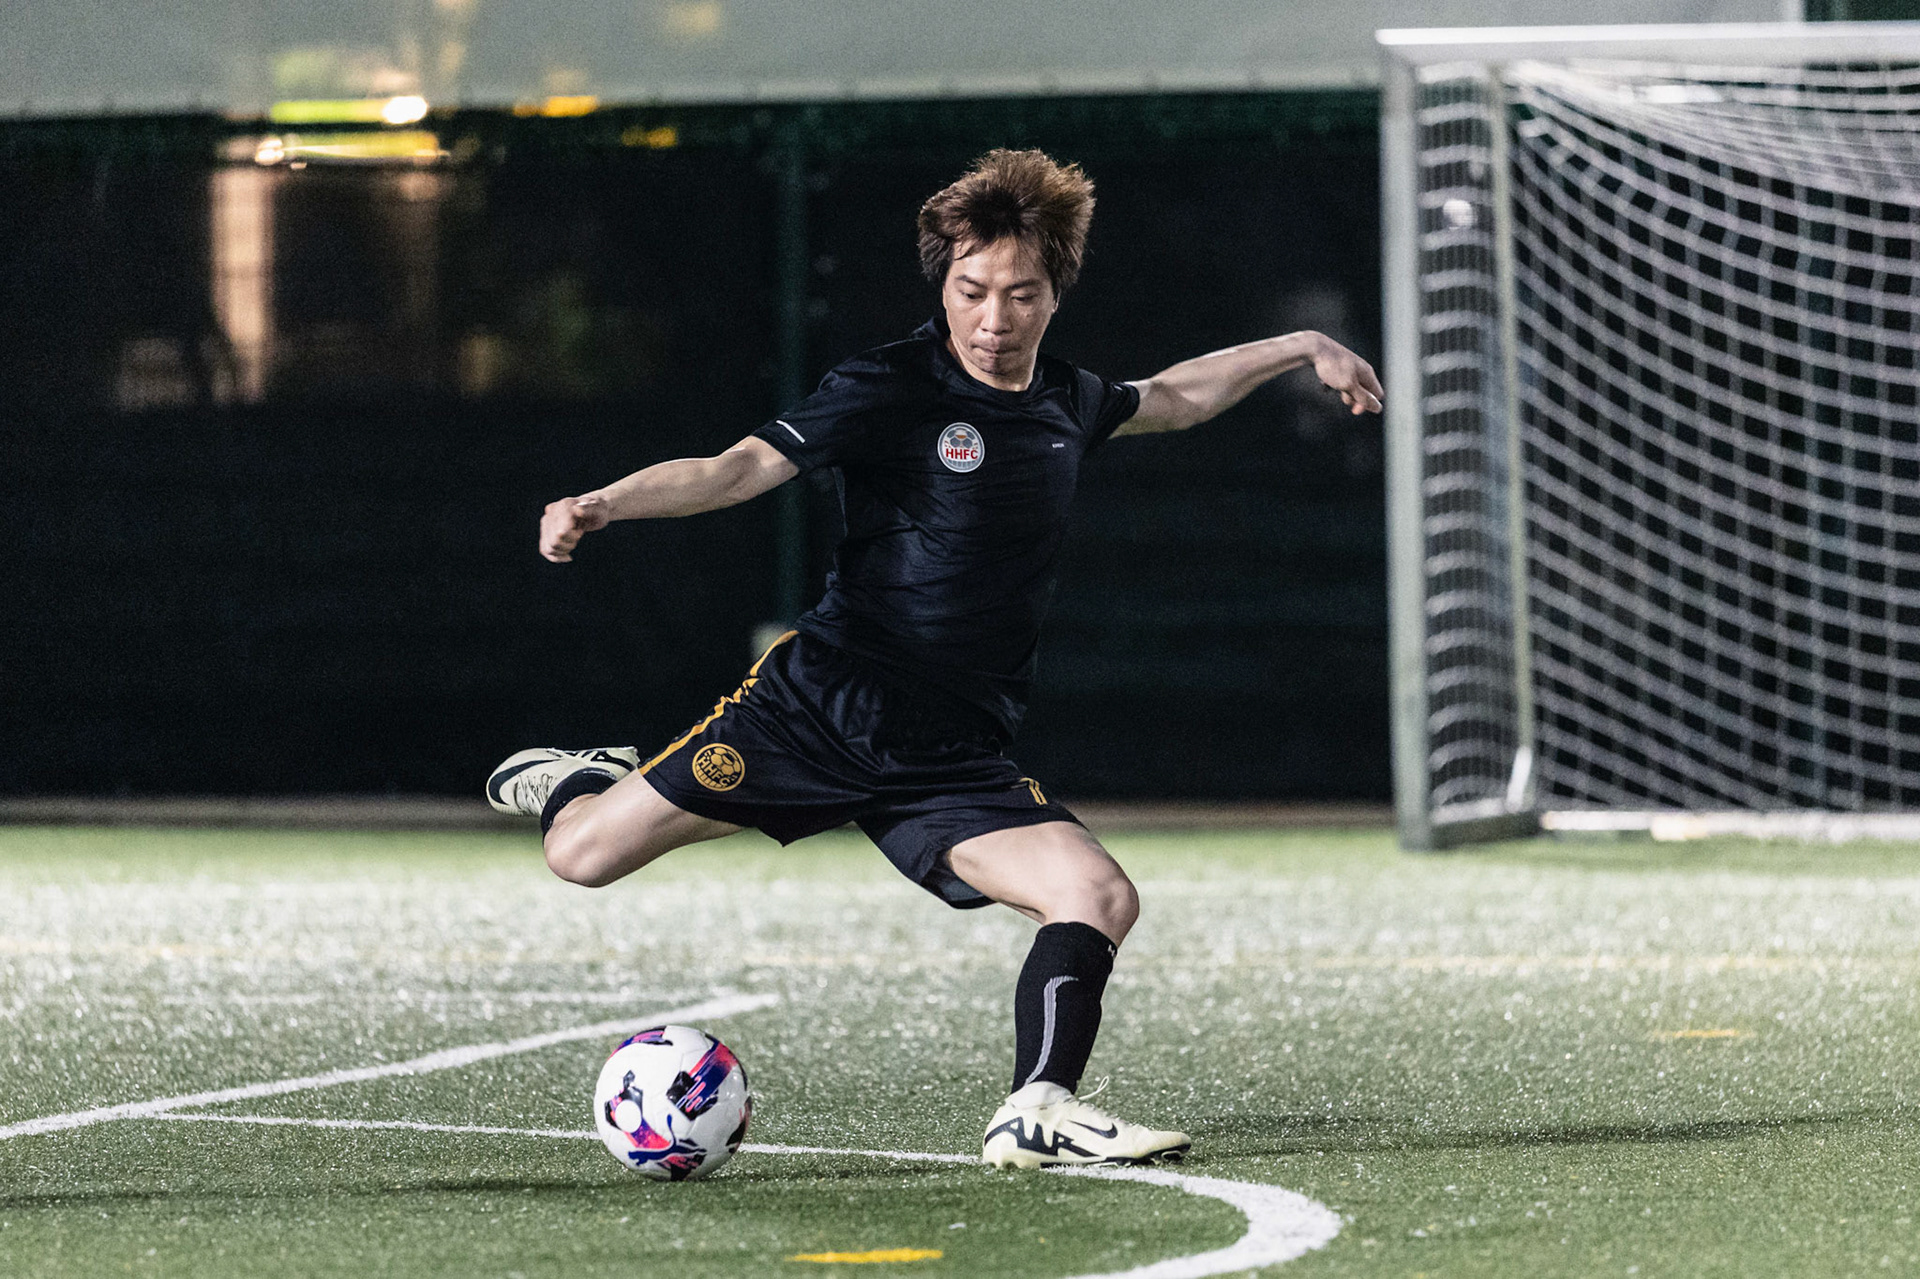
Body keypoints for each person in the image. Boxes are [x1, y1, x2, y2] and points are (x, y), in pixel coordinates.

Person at [487, 148, 1383, 1168]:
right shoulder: (887, 385)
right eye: (972, 291)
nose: (994, 318)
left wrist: (1303, 341)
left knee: (1098, 895)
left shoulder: (1068, 403)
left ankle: (1036, 1105)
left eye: (1021, 294)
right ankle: (583, 781)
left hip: (953, 756)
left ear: (1056, 294)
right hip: (819, 711)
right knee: (582, 857)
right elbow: (735, 468)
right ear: (943, 284)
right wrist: (603, 503)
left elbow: (1172, 394)